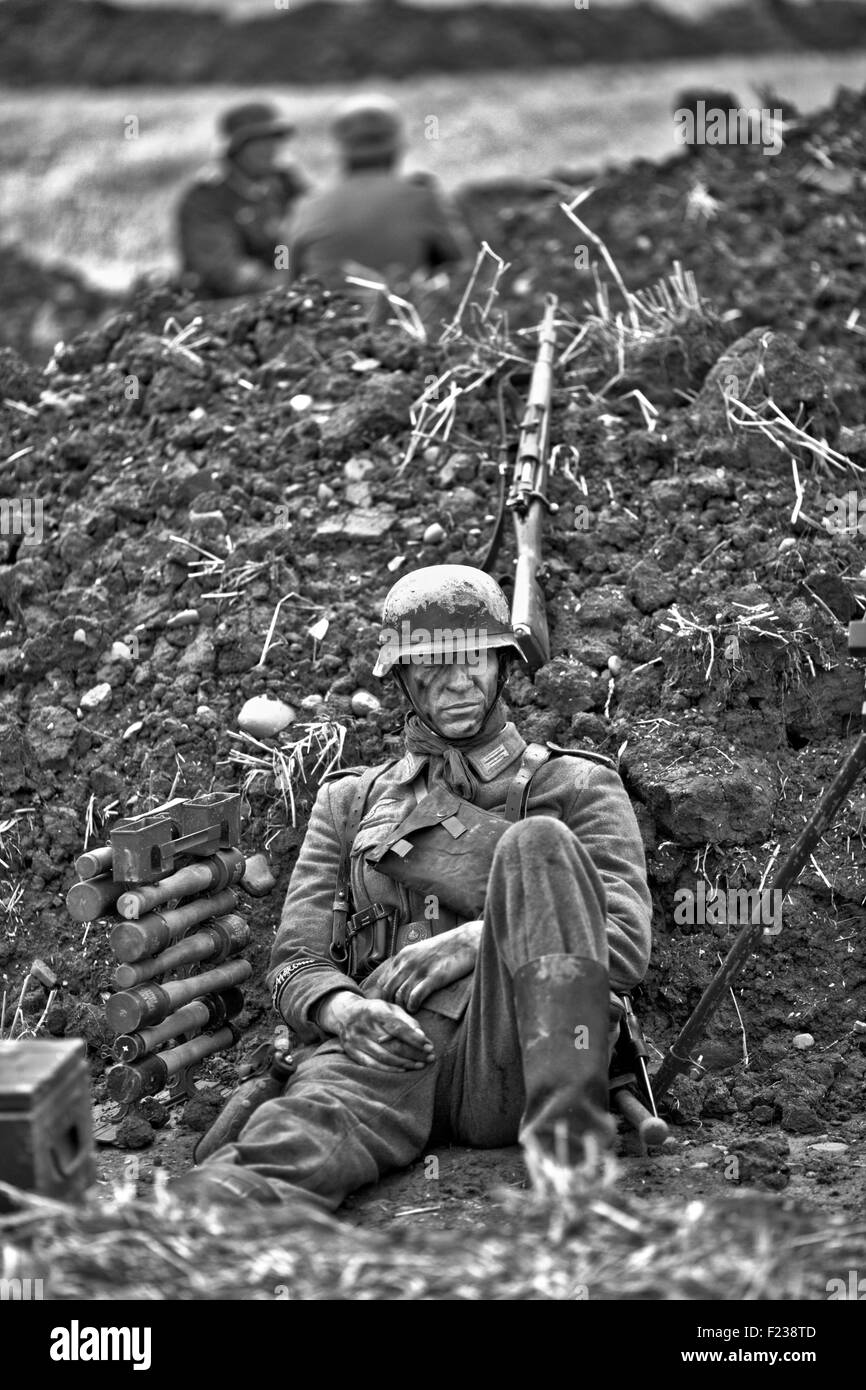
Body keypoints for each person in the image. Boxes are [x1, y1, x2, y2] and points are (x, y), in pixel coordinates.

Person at [172, 566, 652, 1211]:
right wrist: (344, 1012)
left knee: (535, 845)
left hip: (514, 1057)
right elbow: (296, 964)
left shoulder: (576, 786)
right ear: (401, 677)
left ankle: (570, 1159)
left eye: (474, 659)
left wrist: (478, 941)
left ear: (503, 664)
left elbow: (621, 950)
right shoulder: (349, 802)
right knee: (270, 1161)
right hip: (384, 1047)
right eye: (431, 664)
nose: (457, 682)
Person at [288, 94, 469, 293]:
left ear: (340, 149)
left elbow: (285, 268)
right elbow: (464, 268)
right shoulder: (423, 197)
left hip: (323, 319)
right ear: (398, 145)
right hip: (399, 315)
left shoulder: (305, 206)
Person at [177, 102, 311, 299]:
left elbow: (318, 223)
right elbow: (224, 270)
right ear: (235, 148)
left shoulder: (285, 181)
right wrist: (284, 288)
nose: (271, 149)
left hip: (283, 287)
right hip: (227, 302)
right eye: (259, 142)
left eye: (275, 139)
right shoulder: (208, 197)